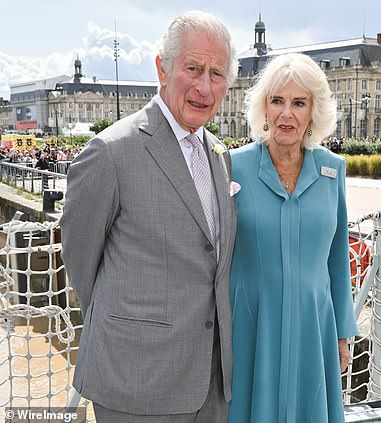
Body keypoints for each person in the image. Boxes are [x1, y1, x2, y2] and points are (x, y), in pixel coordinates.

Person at [60, 10, 238, 422]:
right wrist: (129, 332)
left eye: (217, 73)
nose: (204, 86)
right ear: (162, 68)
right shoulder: (110, 152)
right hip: (136, 383)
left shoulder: (219, 152)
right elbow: (81, 264)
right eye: (193, 68)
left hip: (211, 383)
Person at [228, 53, 359, 423]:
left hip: (313, 326)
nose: (287, 114)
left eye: (298, 103)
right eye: (277, 101)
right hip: (253, 325)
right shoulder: (233, 166)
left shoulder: (333, 169)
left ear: (313, 112)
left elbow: (338, 257)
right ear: (264, 108)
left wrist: (343, 332)